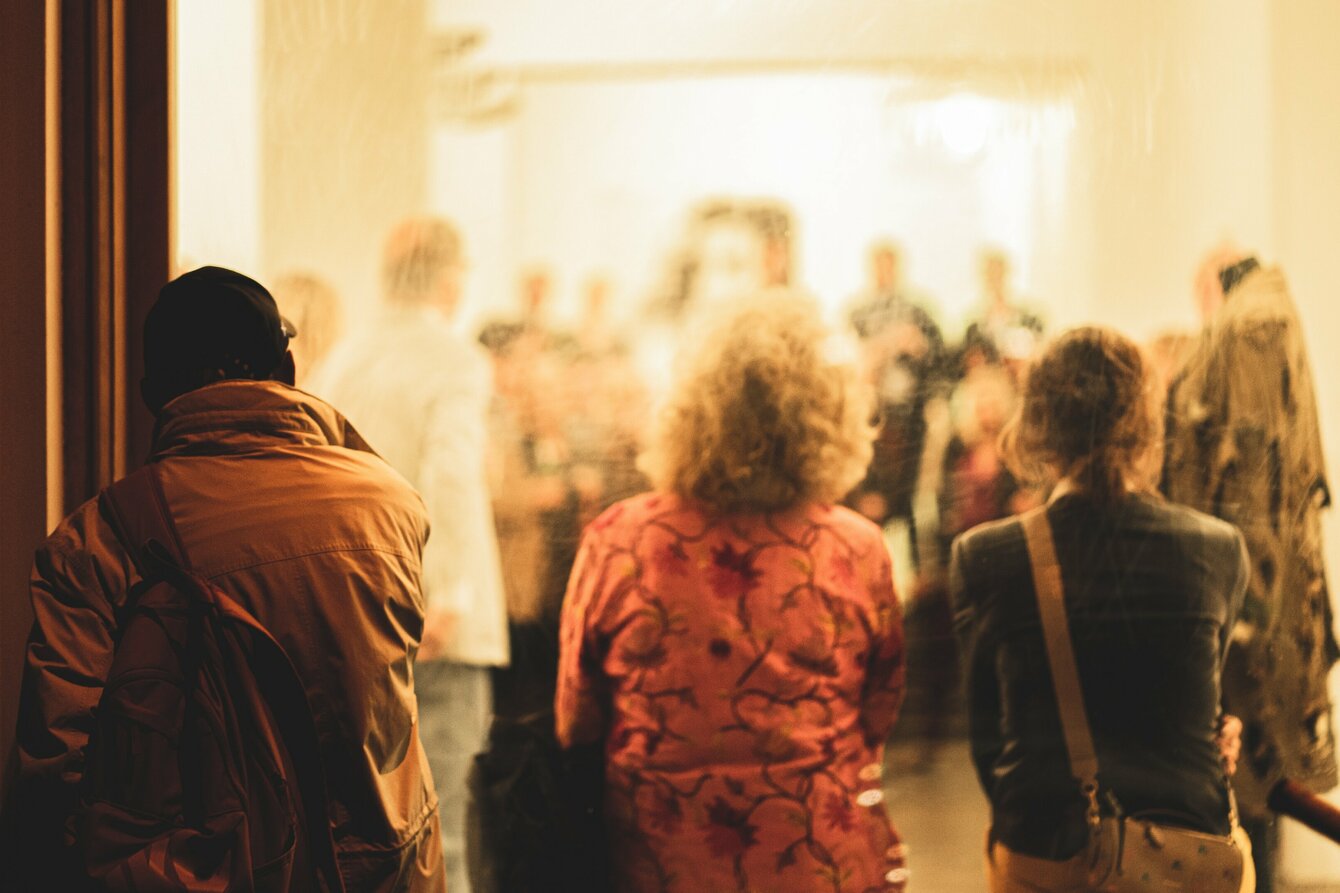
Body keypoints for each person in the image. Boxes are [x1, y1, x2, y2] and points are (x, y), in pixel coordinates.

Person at [8, 266, 445, 891]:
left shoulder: (100, 541)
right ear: (288, 372)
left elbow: (54, 774)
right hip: (387, 871)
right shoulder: (392, 504)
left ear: (153, 394)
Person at [556, 292, 908, 892]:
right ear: (830, 418)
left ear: (688, 410)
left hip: (659, 862)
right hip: (820, 860)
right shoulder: (856, 548)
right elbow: (876, 713)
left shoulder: (621, 540)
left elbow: (576, 719)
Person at [952, 326, 1252, 891]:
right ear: (1146, 420)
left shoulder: (986, 556)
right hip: (1190, 854)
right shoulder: (1217, 548)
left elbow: (988, 744)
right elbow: (1201, 707)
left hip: (1049, 853)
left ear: (1038, 424)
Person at [310, 217, 509, 893]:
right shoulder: (453, 361)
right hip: (435, 622)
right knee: (444, 825)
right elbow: (448, 479)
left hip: (358, 615)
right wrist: (446, 593)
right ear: (451, 277)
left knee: (370, 828)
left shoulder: (345, 358)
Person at [1164, 249, 1338, 892]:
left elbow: (1255, 488)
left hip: (1248, 606)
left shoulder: (1251, 326)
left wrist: (1246, 618)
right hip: (1244, 596)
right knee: (1248, 783)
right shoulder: (1256, 320)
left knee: (1256, 779)